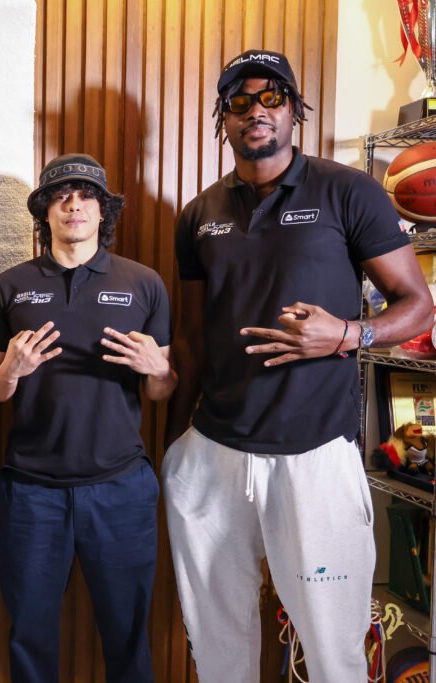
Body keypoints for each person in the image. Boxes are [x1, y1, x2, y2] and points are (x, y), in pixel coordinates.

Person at [163, 49, 434, 682]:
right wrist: (174, 445)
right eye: (239, 101)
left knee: (333, 646)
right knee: (217, 641)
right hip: (215, 453)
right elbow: (194, 339)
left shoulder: (349, 191)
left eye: (271, 98)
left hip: (313, 454)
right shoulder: (199, 215)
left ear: (294, 111)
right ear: (222, 120)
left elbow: (418, 307)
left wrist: (346, 333)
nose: (255, 111)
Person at [0, 154, 175, 683]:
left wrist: (159, 370)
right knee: (29, 636)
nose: (73, 204)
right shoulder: (10, 286)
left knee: (128, 635)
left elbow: (161, 391)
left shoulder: (143, 283)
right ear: (45, 210)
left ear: (102, 211)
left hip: (120, 488)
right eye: (61, 195)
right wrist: (13, 371)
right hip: (31, 491)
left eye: (86, 195)